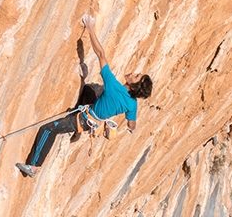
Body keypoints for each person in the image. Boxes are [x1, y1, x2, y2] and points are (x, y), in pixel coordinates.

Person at [16, 15, 153, 177]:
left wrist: (90, 28)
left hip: (83, 120)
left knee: (48, 129)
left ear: (133, 85)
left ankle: (34, 167)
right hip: (93, 120)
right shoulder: (132, 104)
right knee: (89, 89)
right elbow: (131, 125)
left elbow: (101, 54)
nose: (134, 73)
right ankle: (77, 127)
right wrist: (132, 130)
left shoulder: (114, 86)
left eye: (136, 76)